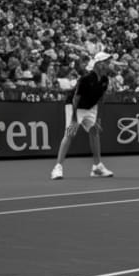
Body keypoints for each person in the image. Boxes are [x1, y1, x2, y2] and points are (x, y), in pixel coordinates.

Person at [51, 50, 115, 179]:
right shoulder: (85, 79)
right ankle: (57, 168)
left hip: (91, 107)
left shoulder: (105, 80)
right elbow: (76, 98)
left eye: (109, 62)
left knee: (94, 131)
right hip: (75, 106)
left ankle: (97, 167)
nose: (109, 65)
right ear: (98, 64)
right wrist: (74, 119)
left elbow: (101, 99)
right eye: (106, 62)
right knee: (70, 132)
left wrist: (98, 119)